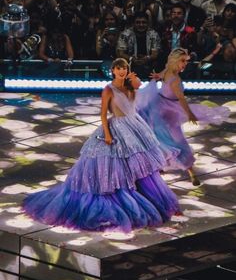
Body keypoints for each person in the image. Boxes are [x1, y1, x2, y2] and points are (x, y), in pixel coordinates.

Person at [22, 58, 180, 232]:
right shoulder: (108, 90)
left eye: (125, 68)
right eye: (119, 68)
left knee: (140, 165)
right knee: (113, 163)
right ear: (113, 70)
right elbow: (103, 115)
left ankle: (144, 194)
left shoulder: (129, 86)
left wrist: (134, 80)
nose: (122, 71)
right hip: (117, 127)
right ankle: (117, 197)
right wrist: (106, 133)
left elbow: (138, 88)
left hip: (135, 126)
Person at [137, 48, 230, 186]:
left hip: (162, 107)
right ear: (175, 61)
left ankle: (187, 171)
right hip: (163, 109)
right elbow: (181, 99)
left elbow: (165, 76)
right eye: (182, 61)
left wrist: (158, 76)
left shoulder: (170, 71)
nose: (185, 64)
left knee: (167, 138)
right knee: (170, 139)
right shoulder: (174, 78)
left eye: (186, 61)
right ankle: (179, 170)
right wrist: (190, 113)